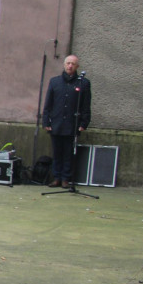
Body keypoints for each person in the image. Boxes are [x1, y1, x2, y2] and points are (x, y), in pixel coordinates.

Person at [42, 55, 91, 187]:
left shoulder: (83, 83)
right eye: (68, 63)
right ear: (64, 65)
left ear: (77, 67)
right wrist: (46, 122)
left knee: (69, 152)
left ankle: (66, 179)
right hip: (56, 123)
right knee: (57, 152)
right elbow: (48, 104)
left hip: (72, 123)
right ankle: (57, 177)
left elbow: (86, 105)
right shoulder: (54, 82)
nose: (70, 66)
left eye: (73, 64)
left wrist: (84, 123)